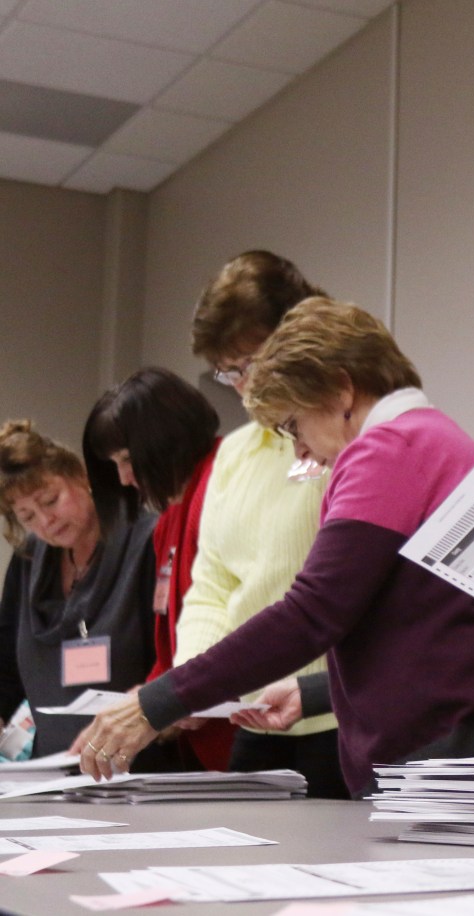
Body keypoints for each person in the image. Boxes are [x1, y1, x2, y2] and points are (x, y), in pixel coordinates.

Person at [76, 298, 474, 795]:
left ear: (340, 387)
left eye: (293, 425)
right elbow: (421, 632)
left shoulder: (388, 447)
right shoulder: (433, 439)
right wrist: (313, 692)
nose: (300, 450)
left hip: (457, 747)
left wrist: (156, 703)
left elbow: (312, 613)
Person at [182, 250, 346, 798]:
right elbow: (214, 586)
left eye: (250, 361)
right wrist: (188, 682)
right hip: (256, 715)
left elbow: (344, 593)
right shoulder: (231, 454)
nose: (242, 385)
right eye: (227, 371)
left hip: (337, 715)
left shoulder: (345, 438)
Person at [80, 367, 232, 771]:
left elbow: (239, 622)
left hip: (245, 735)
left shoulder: (227, 484)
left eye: (128, 460)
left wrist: (158, 703)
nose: (125, 479)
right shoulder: (167, 520)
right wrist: (138, 703)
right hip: (202, 742)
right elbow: (175, 641)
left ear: (165, 439)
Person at [0, 421, 157, 761]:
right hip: (52, 770)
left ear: (82, 476)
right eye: (27, 516)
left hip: (142, 766)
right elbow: (7, 667)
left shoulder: (146, 542)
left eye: (51, 500)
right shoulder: (28, 560)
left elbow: (174, 662)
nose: (45, 521)